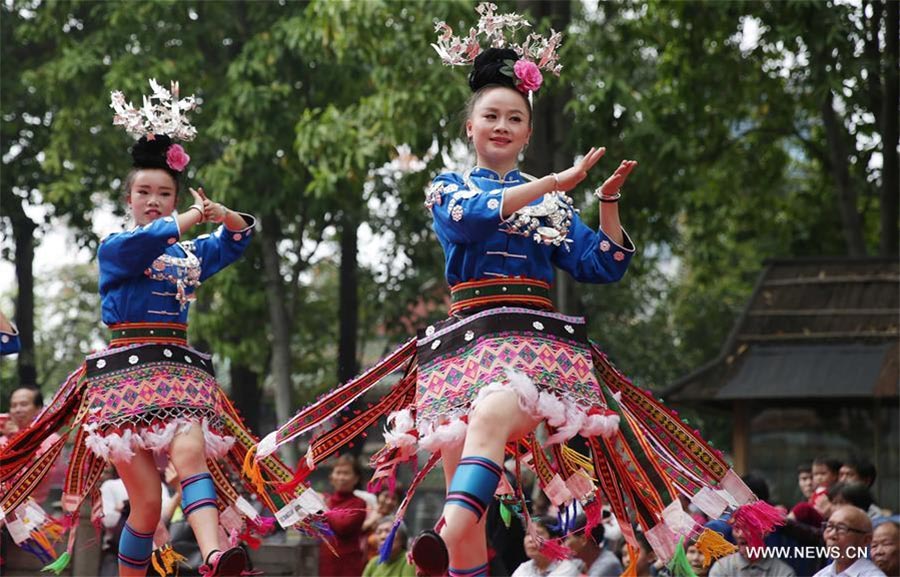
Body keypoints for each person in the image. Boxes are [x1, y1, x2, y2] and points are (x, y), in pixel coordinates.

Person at [253, 5, 773, 577]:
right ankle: (453, 547)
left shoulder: (552, 201)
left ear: (526, 132)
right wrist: (554, 182)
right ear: (469, 128)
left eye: (515, 118)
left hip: (533, 346)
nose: (502, 126)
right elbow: (472, 219)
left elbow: (601, 265)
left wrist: (606, 203)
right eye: (491, 116)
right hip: (460, 350)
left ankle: (439, 535)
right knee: (467, 512)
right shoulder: (449, 187)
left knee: (494, 413)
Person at [0, 80, 320, 577]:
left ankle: (214, 555)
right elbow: (151, 240)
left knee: (191, 453)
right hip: (122, 379)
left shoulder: (190, 254)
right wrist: (192, 215)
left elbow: (236, 239)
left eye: (164, 194)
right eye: (144, 192)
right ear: (128, 198)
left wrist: (221, 214)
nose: (154, 200)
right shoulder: (116, 247)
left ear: (174, 198)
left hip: (179, 372)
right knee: (147, 506)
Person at [319, 455, 368, 577]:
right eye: (338, 472)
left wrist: (324, 508)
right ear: (331, 477)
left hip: (348, 566)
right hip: (325, 562)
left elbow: (343, 527)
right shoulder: (326, 501)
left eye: (346, 473)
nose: (341, 477)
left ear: (356, 479)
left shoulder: (359, 503)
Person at [812, 505, 885, 577]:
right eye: (829, 526)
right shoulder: (821, 575)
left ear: (866, 540)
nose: (831, 535)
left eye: (842, 528)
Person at [708, 526, 796, 577]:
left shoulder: (783, 572)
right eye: (737, 527)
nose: (740, 534)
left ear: (765, 532)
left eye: (747, 528)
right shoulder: (722, 568)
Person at [511, 516, 580, 577]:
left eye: (538, 534)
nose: (530, 539)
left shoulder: (567, 568)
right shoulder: (523, 568)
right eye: (528, 534)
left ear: (555, 540)